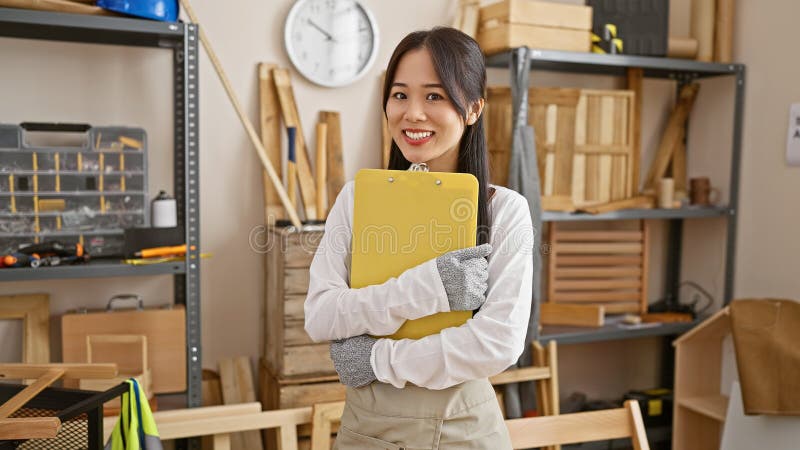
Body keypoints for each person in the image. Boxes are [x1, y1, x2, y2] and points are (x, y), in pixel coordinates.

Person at [304, 27, 533, 449]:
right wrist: (431, 288)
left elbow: (498, 342)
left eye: (435, 96)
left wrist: (377, 359)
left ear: (473, 109)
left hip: (464, 431)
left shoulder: (504, 210)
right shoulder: (357, 198)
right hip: (366, 431)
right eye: (399, 95)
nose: (412, 113)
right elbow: (321, 314)